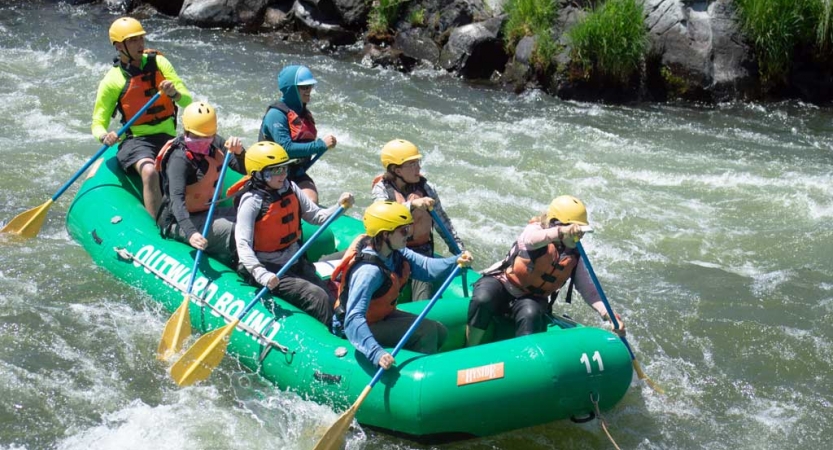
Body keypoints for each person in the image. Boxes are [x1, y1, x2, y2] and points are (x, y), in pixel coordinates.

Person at [465, 195, 625, 347]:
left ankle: (523, 362)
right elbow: (530, 240)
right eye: (576, 230)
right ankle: (470, 348)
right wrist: (562, 232)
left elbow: (589, 291)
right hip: (503, 284)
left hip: (530, 299)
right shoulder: (535, 230)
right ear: (555, 224)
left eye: (582, 231)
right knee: (483, 298)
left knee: (530, 314)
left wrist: (609, 316)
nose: (580, 235)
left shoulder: (575, 254)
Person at [331, 201, 473, 370]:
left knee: (439, 331)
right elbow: (353, 319)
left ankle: (413, 361)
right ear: (385, 235)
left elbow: (427, 268)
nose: (409, 234)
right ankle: (420, 378)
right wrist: (376, 352)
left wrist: (454, 261)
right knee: (426, 331)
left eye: (409, 228)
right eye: (404, 230)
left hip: (379, 317)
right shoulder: (368, 272)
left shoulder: (396, 253)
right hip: (356, 329)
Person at [230, 141, 354, 328]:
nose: (282, 175)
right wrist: (261, 274)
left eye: (284, 169)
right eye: (275, 170)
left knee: (329, 294)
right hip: (269, 268)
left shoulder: (290, 187)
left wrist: (340, 207)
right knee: (317, 296)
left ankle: (346, 327)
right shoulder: (251, 201)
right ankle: (335, 335)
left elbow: (317, 216)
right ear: (258, 174)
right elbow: (243, 245)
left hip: (294, 260)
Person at [92, 17, 192, 217]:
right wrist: (105, 136)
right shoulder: (113, 81)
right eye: (133, 40)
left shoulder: (160, 63)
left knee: (188, 171)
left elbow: (188, 102)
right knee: (149, 171)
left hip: (168, 137)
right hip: (137, 141)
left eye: (141, 38)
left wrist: (174, 94)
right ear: (119, 46)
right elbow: (97, 122)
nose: (140, 44)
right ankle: (156, 226)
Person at [371, 139, 466, 302]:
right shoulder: (381, 188)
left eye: (418, 162)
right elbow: (383, 218)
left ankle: (422, 314)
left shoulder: (426, 188)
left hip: (421, 251)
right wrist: (412, 205)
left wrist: (459, 249)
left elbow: (443, 223)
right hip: (392, 250)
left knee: (423, 290)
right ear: (396, 170)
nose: (418, 168)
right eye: (412, 164)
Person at [155, 102, 246, 263]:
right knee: (234, 230)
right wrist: (191, 233)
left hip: (208, 212)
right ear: (186, 131)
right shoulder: (179, 159)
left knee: (251, 217)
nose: (202, 141)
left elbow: (244, 168)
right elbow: (176, 200)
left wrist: (240, 153)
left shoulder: (216, 143)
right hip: (179, 221)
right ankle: (242, 267)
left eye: (206, 137)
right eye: (196, 136)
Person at [258, 65, 336, 204]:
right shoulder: (276, 114)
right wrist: (320, 145)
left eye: (310, 86)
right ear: (291, 89)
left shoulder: (302, 112)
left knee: (311, 201)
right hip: (270, 175)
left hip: (295, 172)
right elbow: (286, 148)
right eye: (304, 87)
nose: (309, 90)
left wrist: (321, 145)